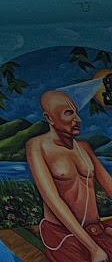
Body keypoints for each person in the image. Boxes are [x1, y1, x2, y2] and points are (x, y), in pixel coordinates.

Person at [26, 89, 112, 261]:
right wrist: (93, 248)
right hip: (64, 235)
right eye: (68, 113)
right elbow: (52, 199)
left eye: (77, 114)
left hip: (95, 229)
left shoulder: (84, 147)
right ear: (49, 118)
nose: (78, 120)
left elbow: (109, 185)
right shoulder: (37, 146)